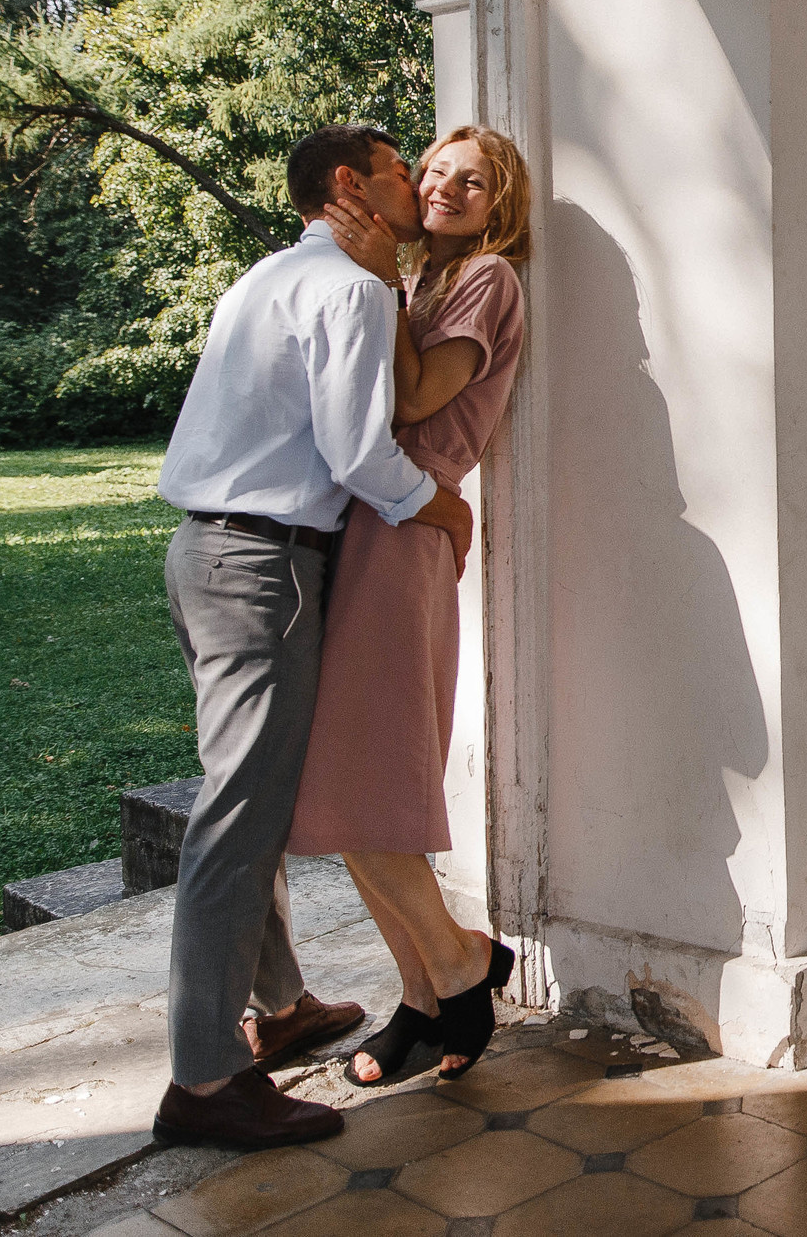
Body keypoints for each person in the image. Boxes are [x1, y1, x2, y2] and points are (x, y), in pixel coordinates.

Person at [151, 125, 475, 1150]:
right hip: (266, 568)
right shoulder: (350, 286)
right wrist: (444, 510)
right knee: (238, 822)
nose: (415, 184)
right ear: (351, 186)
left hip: (207, 555)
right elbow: (356, 451)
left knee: (255, 799)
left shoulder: (263, 277)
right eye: (397, 171)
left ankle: (281, 1005)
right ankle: (205, 1084)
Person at [286, 125, 531, 1084]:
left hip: (408, 517)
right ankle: (426, 993)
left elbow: (421, 396)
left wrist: (382, 282)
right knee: (352, 784)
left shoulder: (484, 280)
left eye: (471, 180)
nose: (443, 187)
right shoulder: (411, 279)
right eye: (432, 172)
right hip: (362, 515)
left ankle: (462, 966)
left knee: (364, 779)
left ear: (499, 201)